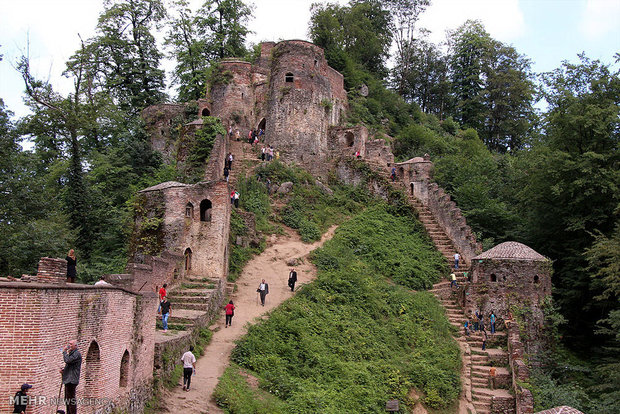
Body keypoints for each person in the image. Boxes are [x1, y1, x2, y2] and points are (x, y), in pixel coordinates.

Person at [60, 340, 82, 414]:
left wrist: (64, 351)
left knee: (71, 399)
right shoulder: (72, 353)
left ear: (75, 346)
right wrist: (64, 370)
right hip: (68, 379)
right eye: (69, 343)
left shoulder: (76, 354)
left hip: (72, 380)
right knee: (67, 399)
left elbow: (68, 360)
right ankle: (68, 412)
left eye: (71, 344)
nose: (69, 345)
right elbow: (71, 366)